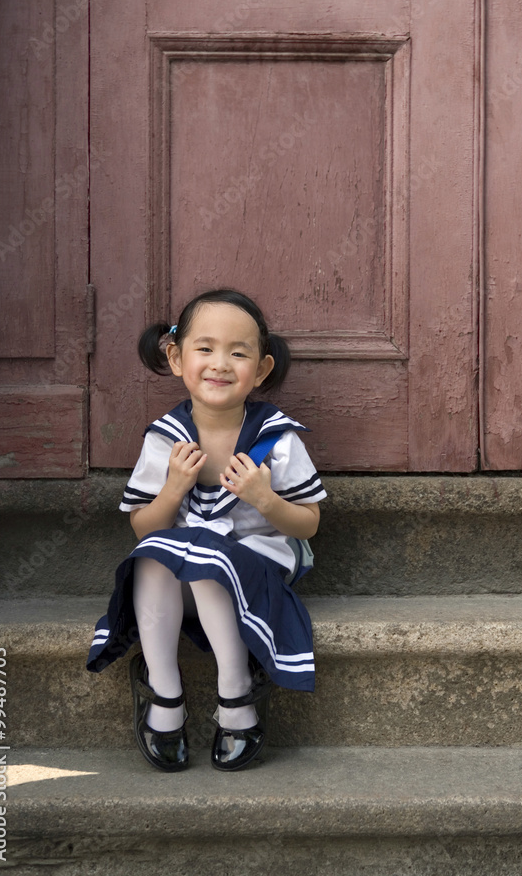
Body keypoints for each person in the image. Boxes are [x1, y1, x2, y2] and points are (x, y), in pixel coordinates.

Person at [86, 288, 326, 773]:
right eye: (205, 348)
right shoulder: (166, 438)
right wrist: (173, 491)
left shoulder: (275, 439)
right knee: (157, 553)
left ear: (260, 369)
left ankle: (236, 692)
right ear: (175, 357)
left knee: (206, 557)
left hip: (252, 573)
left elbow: (309, 523)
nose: (220, 363)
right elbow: (142, 527)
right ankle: (164, 693)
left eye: (238, 353)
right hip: (178, 582)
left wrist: (266, 499)